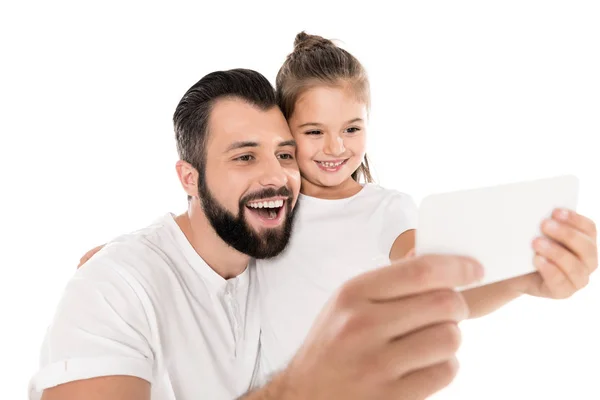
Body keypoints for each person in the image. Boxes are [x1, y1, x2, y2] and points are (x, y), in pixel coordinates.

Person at [77, 32, 599, 391]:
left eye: (352, 128)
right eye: (312, 132)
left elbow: (441, 284)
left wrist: (525, 280)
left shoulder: (386, 210)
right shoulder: (271, 207)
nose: (335, 147)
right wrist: (115, 263)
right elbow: (197, 243)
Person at [30, 68, 485, 400]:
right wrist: (300, 390)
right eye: (245, 157)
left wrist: (528, 276)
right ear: (189, 178)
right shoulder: (114, 289)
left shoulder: (271, 259)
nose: (275, 176)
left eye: (285, 155)